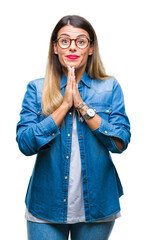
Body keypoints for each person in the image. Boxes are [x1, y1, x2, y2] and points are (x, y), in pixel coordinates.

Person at [16, 15, 131, 240]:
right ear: (55, 47)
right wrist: (64, 106)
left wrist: (80, 105)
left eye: (81, 41)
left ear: (90, 48)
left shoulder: (110, 88)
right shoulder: (36, 89)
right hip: (46, 203)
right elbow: (25, 143)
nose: (72, 47)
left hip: (98, 203)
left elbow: (120, 141)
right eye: (65, 40)